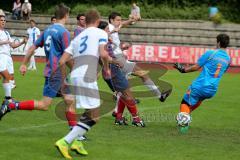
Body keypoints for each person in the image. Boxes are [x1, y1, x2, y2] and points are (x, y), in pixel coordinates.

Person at [0, 4, 88, 155]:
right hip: (57, 73)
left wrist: (23, 64)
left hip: (52, 71)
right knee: (44, 104)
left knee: (70, 100)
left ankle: (74, 136)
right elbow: (68, 56)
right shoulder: (64, 32)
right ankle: (12, 105)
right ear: (66, 15)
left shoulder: (48, 30)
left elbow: (32, 48)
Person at [55, 9, 115, 159]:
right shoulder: (101, 33)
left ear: (86, 21)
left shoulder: (78, 37)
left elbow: (62, 61)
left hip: (74, 75)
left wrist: (63, 82)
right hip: (87, 77)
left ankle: (75, 142)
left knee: (89, 111)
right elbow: (103, 54)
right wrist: (107, 69)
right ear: (97, 20)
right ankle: (65, 141)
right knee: (95, 116)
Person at [108, 12, 171, 110]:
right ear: (111, 20)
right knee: (143, 74)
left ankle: (116, 111)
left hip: (118, 58)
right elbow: (108, 33)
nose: (119, 22)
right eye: (117, 20)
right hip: (118, 59)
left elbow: (122, 24)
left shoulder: (114, 28)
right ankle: (159, 95)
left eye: (120, 20)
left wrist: (133, 20)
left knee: (123, 88)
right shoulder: (110, 28)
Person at [174, 33, 231, 133]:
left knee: (185, 103)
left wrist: (182, 70)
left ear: (218, 42)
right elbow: (223, 71)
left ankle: (183, 125)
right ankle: (185, 115)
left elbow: (196, 67)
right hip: (212, 89)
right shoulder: (228, 59)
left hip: (200, 85)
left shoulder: (211, 53)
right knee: (198, 100)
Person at [98, 20, 145, 127]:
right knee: (127, 93)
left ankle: (119, 118)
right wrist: (115, 62)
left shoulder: (103, 40)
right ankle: (136, 120)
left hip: (111, 69)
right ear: (102, 30)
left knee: (123, 94)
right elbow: (104, 57)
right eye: (106, 30)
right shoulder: (102, 41)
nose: (108, 31)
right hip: (112, 69)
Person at [0, 15, 26, 117]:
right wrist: (4, 42)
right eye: (1, 20)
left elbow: (13, 45)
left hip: (8, 57)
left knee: (9, 78)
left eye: (4, 20)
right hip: (1, 56)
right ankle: (8, 99)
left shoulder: (6, 33)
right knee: (6, 77)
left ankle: (8, 99)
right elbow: (6, 43)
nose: (3, 22)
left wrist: (22, 42)